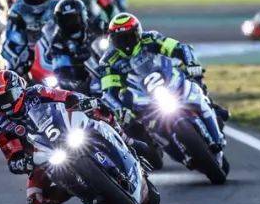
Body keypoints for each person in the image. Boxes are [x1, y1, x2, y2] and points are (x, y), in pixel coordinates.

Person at [0, 69, 105, 204]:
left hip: (63, 131)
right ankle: (74, 190)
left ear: (19, 90)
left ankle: (121, 134)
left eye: (8, 96)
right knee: (36, 202)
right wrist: (25, 163)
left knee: (98, 110)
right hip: (41, 158)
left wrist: (81, 101)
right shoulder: (0, 126)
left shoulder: (37, 92)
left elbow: (66, 95)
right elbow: (12, 160)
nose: (5, 104)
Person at [97, 13, 229, 125]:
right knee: (130, 125)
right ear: (112, 40)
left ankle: (210, 105)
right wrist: (120, 109)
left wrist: (192, 64)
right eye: (121, 39)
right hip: (139, 95)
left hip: (165, 78)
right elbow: (109, 93)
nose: (126, 43)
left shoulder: (151, 38)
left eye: (129, 37)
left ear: (138, 33)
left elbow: (181, 48)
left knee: (194, 79)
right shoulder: (108, 61)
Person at [0, 0, 55, 77]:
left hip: (52, 48)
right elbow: (12, 38)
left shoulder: (56, 7)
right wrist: (17, 58)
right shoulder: (17, 10)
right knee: (11, 70)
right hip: (27, 49)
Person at [46, 0, 99, 93]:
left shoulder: (93, 27)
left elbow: (108, 34)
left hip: (100, 68)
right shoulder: (57, 42)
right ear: (60, 21)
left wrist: (106, 29)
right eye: (67, 20)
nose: (71, 23)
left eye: (74, 18)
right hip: (81, 79)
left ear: (82, 16)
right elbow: (60, 70)